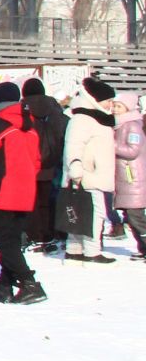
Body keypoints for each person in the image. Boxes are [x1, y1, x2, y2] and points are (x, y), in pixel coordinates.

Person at [0, 81, 45, 303]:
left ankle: (29, 282)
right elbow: (37, 162)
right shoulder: (30, 126)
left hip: (2, 190)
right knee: (11, 240)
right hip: (25, 192)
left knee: (2, 240)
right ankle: (4, 286)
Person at [62, 77, 118, 262]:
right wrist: (76, 168)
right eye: (108, 101)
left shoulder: (95, 118)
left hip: (91, 174)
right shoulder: (84, 119)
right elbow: (74, 145)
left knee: (80, 212)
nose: (111, 105)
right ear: (96, 100)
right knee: (94, 212)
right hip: (87, 175)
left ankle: (75, 248)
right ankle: (92, 251)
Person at [21, 78, 68, 252]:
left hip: (28, 163)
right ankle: (52, 233)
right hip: (53, 164)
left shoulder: (21, 110)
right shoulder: (56, 110)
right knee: (49, 201)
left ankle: (35, 234)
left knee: (31, 202)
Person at [113, 93, 145, 257]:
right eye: (114, 106)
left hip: (133, 178)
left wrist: (111, 144)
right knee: (130, 217)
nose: (115, 110)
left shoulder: (132, 125)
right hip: (125, 179)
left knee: (136, 217)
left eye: (119, 106)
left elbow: (133, 151)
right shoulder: (120, 125)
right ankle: (142, 248)